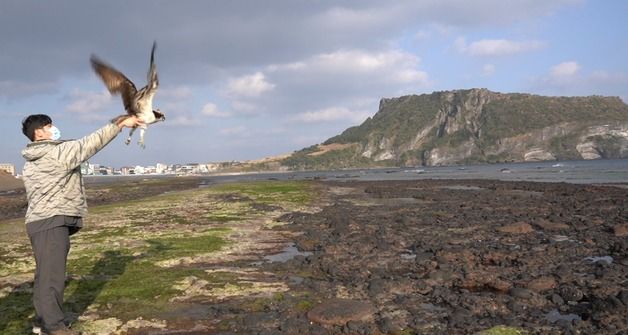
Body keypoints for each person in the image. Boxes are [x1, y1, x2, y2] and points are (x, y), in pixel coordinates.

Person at [21, 114, 142, 335]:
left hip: (37, 222)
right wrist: (120, 123)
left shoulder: (31, 159)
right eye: (49, 126)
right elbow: (90, 143)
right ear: (38, 133)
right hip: (51, 220)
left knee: (44, 275)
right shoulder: (57, 152)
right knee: (53, 276)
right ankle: (54, 326)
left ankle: (41, 322)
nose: (54, 128)